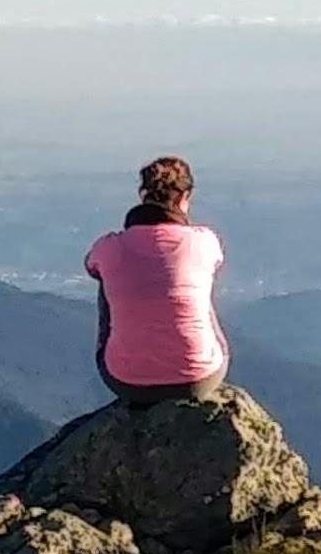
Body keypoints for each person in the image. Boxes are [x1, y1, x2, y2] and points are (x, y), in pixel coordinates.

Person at [85, 156, 229, 406]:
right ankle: (194, 350)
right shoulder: (203, 241)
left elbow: (91, 266)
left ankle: (134, 357)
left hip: (127, 382)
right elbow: (216, 263)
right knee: (197, 284)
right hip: (199, 378)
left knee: (107, 278)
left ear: (143, 194)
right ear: (185, 197)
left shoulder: (110, 246)